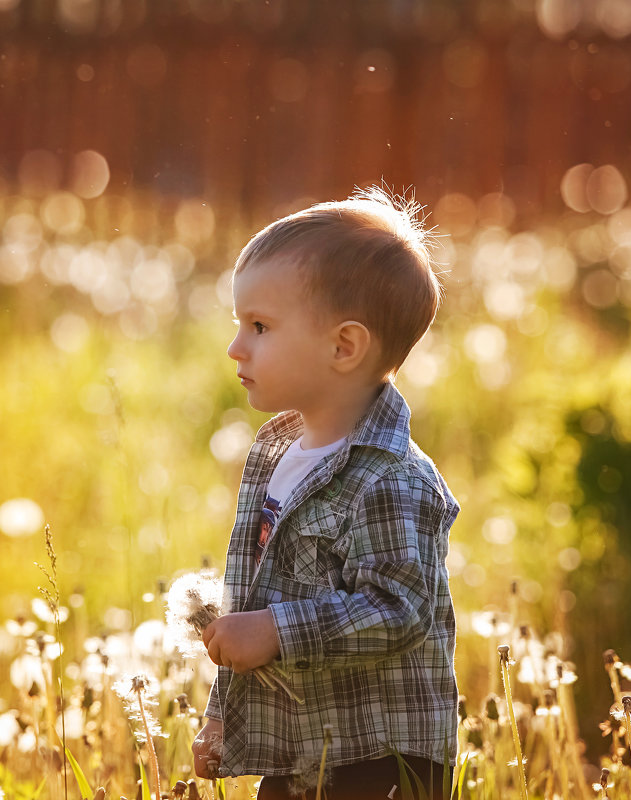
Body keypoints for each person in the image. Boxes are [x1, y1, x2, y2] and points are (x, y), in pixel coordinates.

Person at [191, 187, 460, 800]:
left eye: (259, 326)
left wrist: (278, 631)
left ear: (344, 346)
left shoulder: (391, 477)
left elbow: (399, 610)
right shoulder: (277, 458)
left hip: (380, 761)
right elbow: (251, 605)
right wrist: (221, 719)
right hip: (295, 751)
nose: (236, 346)